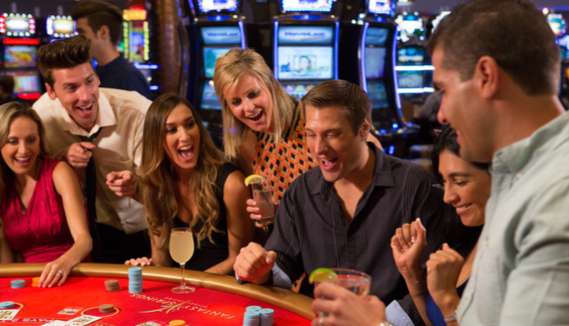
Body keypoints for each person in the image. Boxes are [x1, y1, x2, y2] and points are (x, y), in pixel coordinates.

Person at [311, 0, 569, 325]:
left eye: (444, 89)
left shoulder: (557, 198)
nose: (442, 112)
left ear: (486, 76)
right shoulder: (520, 173)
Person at [233, 80, 446, 322]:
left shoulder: (416, 185)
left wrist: (375, 322)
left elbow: (436, 283)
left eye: (332, 134)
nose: (318, 148)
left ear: (364, 128)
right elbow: (281, 263)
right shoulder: (300, 191)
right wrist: (260, 270)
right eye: (311, 134)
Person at [213, 49, 381, 227]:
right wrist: (275, 214)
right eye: (236, 102)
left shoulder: (311, 115)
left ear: (270, 84)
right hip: (294, 245)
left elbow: (373, 153)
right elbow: (278, 218)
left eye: (253, 94)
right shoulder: (245, 145)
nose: (248, 107)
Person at [33, 35, 152, 264]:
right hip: (93, 232)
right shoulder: (41, 118)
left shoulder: (139, 113)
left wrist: (136, 185)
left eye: (89, 81)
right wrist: (60, 160)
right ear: (51, 91)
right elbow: (35, 181)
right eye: (71, 88)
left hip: (149, 228)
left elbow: (168, 187)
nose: (86, 96)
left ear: (97, 77)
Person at [124, 94, 253, 274]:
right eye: (171, 130)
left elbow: (240, 259)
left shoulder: (232, 183)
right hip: (183, 289)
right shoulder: (156, 184)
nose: (185, 136)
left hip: (225, 290)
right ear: (157, 140)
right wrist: (146, 266)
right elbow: (162, 262)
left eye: (189, 124)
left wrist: (192, 285)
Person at [386, 128, 489, 326]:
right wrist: (412, 274)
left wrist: (448, 298)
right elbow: (435, 322)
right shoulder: (467, 234)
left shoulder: (518, 254)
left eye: (459, 181)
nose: (447, 197)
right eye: (444, 182)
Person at [0, 102, 92, 287]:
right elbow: (7, 263)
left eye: (31, 139)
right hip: (29, 283)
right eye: (13, 141)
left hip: (72, 274)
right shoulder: (3, 186)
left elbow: (84, 240)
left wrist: (63, 263)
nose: (24, 150)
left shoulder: (59, 172)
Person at [71, 0, 151, 99]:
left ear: (103, 32)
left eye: (82, 32)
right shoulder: (96, 73)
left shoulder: (129, 77)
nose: (77, 39)